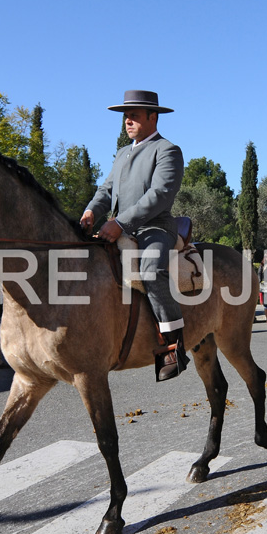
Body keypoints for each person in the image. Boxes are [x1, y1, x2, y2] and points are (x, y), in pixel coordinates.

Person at [80, 90, 188, 382]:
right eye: (126, 116)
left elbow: (160, 195)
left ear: (153, 117)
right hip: (119, 225)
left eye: (134, 115)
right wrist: (91, 211)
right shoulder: (121, 153)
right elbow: (106, 190)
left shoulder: (167, 150)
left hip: (155, 227)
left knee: (151, 270)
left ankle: (173, 345)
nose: (127, 121)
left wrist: (121, 223)